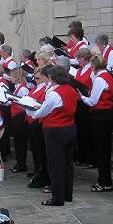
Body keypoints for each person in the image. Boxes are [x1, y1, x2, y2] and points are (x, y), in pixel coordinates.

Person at [28, 65, 77, 206]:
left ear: (52, 78)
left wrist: (28, 110)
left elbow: (40, 113)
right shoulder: (70, 89)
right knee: (67, 163)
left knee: (56, 165)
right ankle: (67, 194)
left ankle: (57, 198)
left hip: (55, 131)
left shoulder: (54, 93)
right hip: (70, 128)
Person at [81, 55, 113, 192]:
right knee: (104, 150)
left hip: (101, 115)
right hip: (107, 114)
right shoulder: (109, 76)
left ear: (94, 66)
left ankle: (104, 182)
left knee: (102, 150)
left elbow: (93, 101)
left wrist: (82, 96)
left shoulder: (100, 79)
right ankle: (105, 180)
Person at [9, 67, 30, 173]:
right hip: (16, 116)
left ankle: (21, 164)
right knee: (18, 141)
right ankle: (19, 162)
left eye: (12, 76)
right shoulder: (18, 87)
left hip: (21, 117)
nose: (10, 78)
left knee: (21, 141)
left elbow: (25, 104)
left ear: (17, 77)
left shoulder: (23, 89)